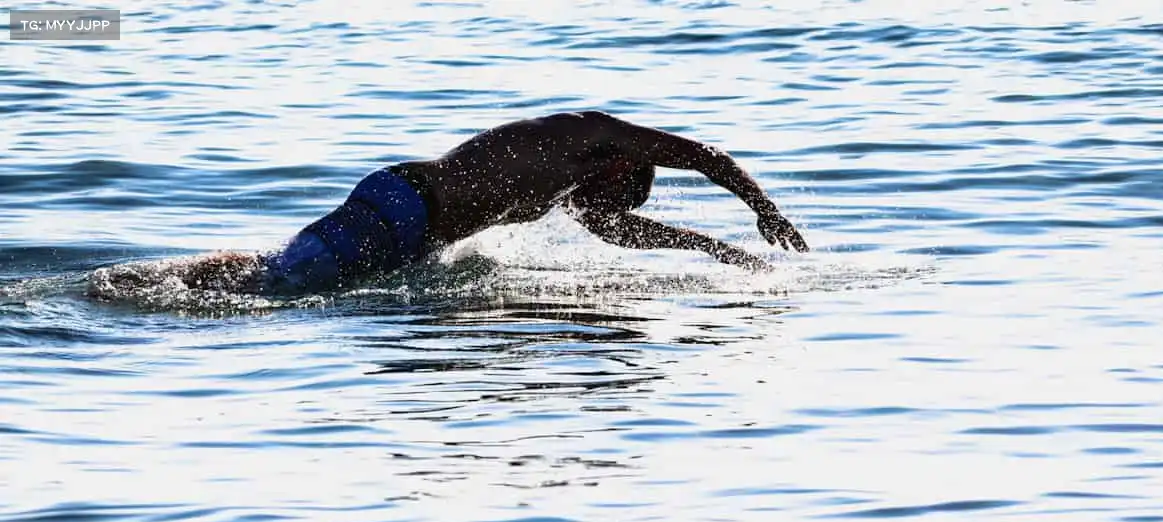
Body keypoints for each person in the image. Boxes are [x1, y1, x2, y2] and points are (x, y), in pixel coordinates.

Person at [175, 110, 809, 296]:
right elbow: (704, 155)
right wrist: (764, 209)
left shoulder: (580, 190)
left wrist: (716, 250)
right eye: (613, 192)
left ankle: (176, 278)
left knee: (276, 277)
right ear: (625, 165)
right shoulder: (588, 133)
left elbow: (624, 232)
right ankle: (132, 287)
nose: (597, 208)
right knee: (280, 289)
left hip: (410, 224)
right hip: (407, 202)